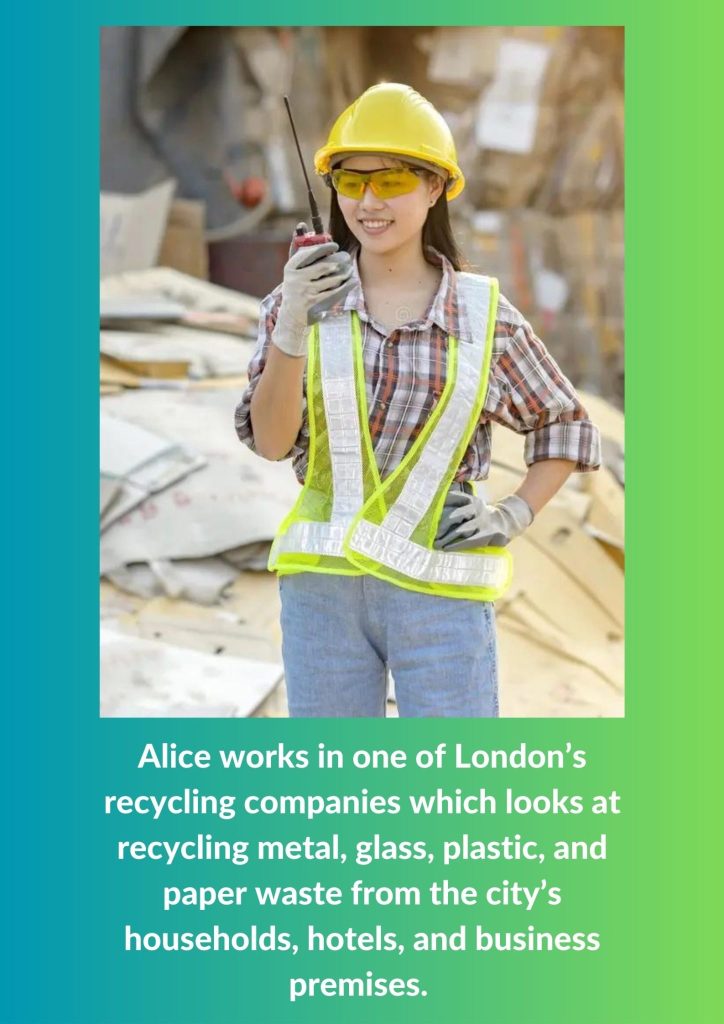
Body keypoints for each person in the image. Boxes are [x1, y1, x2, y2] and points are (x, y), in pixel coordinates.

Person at [235, 83, 601, 718]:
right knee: (335, 776)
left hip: (440, 594)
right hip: (323, 598)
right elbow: (271, 443)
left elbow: (565, 426)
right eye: (352, 182)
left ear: (435, 188)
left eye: (393, 180)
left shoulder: (484, 318)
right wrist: (291, 328)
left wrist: (513, 513)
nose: (369, 202)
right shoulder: (296, 305)